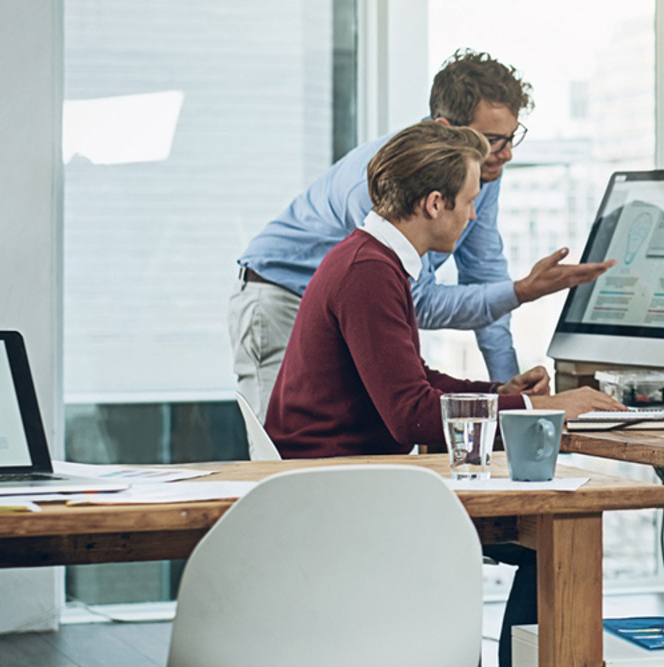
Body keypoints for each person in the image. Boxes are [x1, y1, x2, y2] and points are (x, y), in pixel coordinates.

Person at [266, 120, 624, 666]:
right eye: (468, 200)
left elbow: (414, 380)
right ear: (434, 203)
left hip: (345, 481)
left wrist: (497, 390)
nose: (473, 214)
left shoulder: (370, 258)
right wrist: (541, 407)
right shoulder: (368, 271)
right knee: (555, 527)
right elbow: (411, 416)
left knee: (538, 527)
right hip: (340, 495)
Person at [230, 49, 613, 413]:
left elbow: (484, 277)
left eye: (512, 137)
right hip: (280, 294)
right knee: (282, 460)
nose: (507, 153)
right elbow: (419, 304)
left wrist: (509, 390)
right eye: (493, 140)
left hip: (346, 305)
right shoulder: (381, 185)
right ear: (446, 130)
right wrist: (521, 293)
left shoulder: (481, 171)